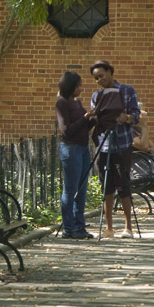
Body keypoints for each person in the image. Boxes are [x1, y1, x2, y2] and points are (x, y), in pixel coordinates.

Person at [89, 60, 140, 239]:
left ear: (110, 72)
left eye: (101, 76)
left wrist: (125, 117)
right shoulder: (96, 96)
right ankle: (109, 228)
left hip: (123, 143)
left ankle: (128, 228)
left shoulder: (127, 90)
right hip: (104, 145)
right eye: (96, 78)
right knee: (106, 187)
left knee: (124, 185)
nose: (99, 80)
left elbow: (136, 115)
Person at [55, 71, 96, 239]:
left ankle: (80, 225)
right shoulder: (62, 104)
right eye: (78, 86)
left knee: (82, 188)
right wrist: (86, 117)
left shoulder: (77, 103)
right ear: (70, 87)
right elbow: (67, 130)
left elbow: (85, 127)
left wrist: (95, 118)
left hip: (83, 147)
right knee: (71, 189)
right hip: (70, 149)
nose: (81, 88)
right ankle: (69, 227)